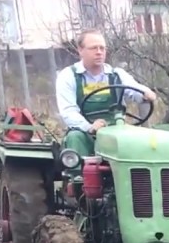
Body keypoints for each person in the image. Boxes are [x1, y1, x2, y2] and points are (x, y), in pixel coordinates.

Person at [55, 29, 158, 170]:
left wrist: (145, 94)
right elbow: (68, 111)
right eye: (93, 48)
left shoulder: (116, 74)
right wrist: (89, 127)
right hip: (86, 133)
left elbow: (134, 89)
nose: (99, 52)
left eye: (102, 48)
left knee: (142, 139)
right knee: (75, 137)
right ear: (80, 50)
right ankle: (79, 180)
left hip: (116, 128)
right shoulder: (68, 76)